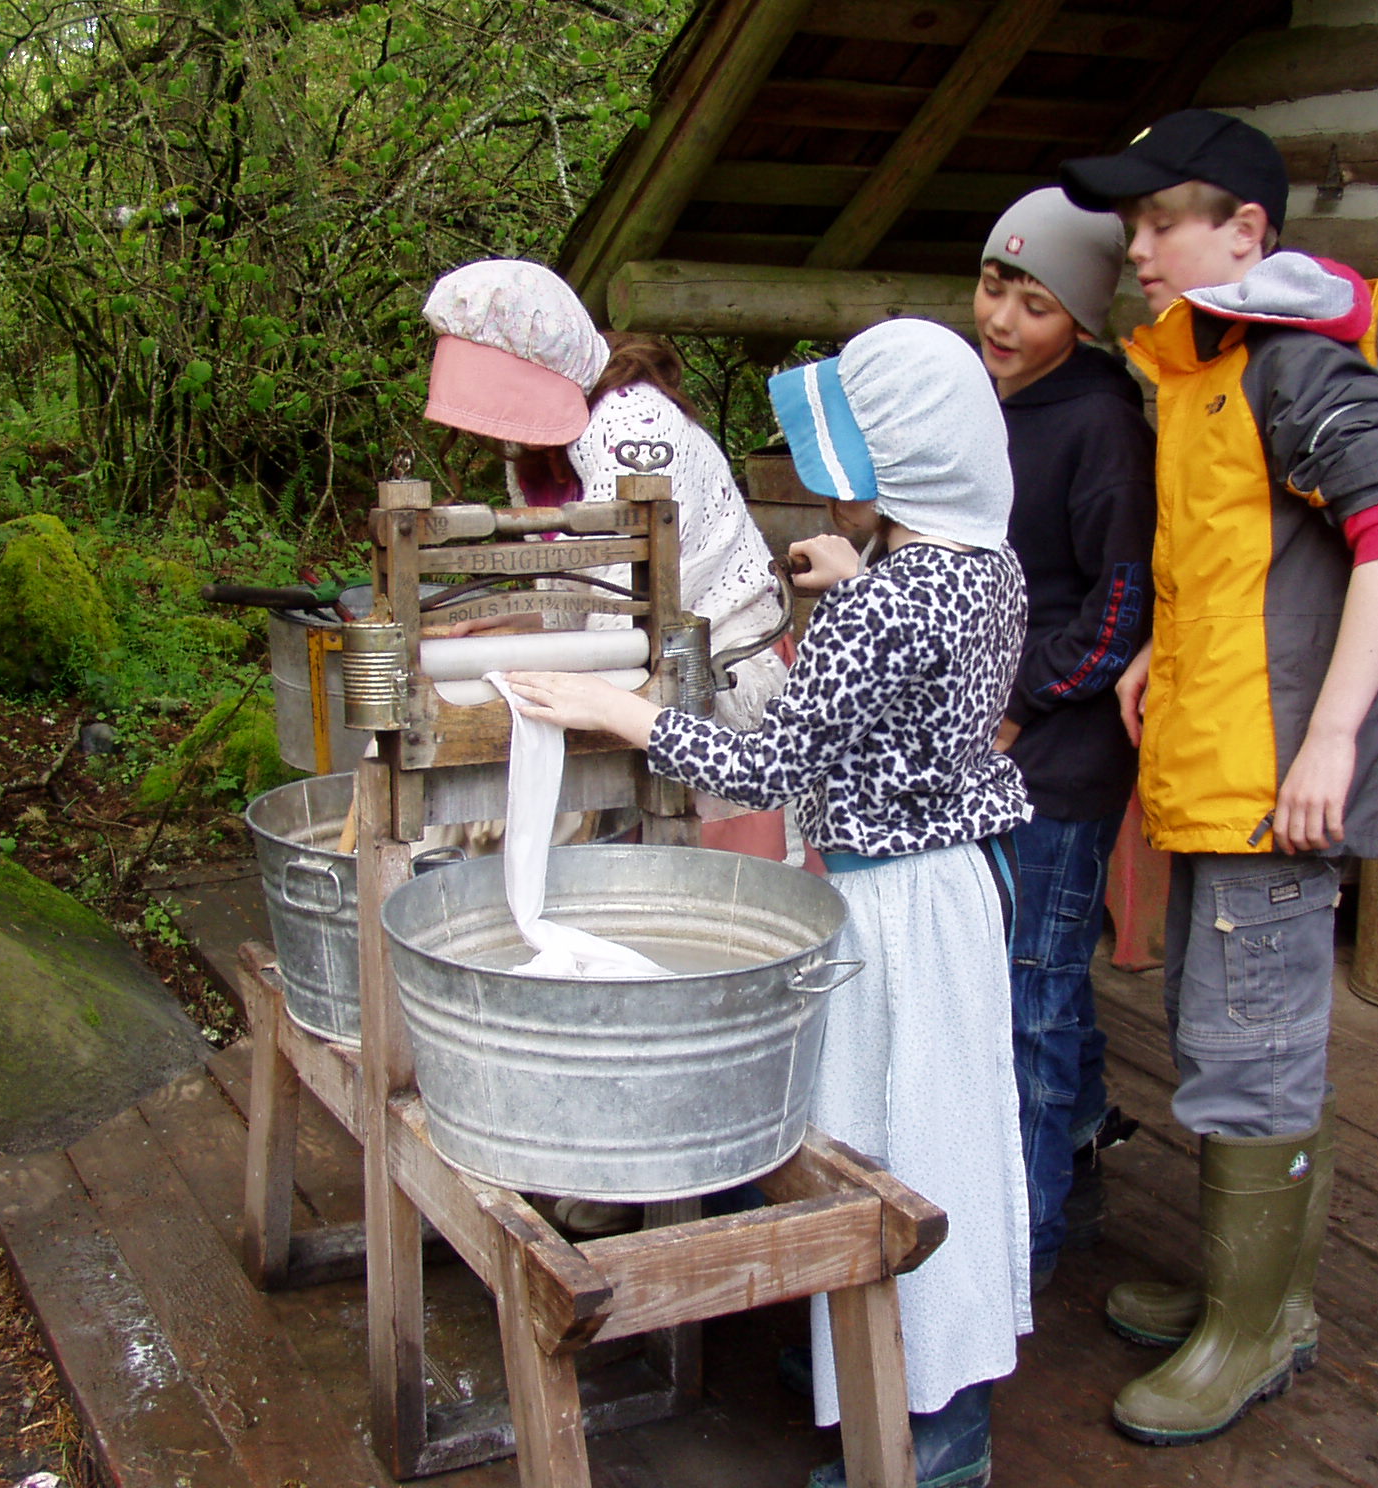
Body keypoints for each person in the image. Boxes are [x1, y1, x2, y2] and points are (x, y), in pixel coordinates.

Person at [506, 316, 1031, 1488]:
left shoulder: (880, 609)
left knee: (891, 1155)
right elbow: (921, 628)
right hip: (955, 894)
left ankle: (929, 1444)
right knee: (943, 1141)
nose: (830, 496)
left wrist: (621, 715)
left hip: (887, 909)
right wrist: (867, 571)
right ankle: (906, 1397)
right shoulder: (982, 569)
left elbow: (763, 768)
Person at [1056, 109, 1378, 1444]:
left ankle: (1259, 1324)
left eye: (1164, 221)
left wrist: (1332, 737)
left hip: (1283, 780)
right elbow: (1240, 553)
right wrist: (1161, 643)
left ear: (1246, 234)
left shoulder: (1296, 366)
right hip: (1219, 757)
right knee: (1221, 1027)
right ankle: (1246, 1287)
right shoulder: (1202, 369)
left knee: (1252, 1046)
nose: (1139, 248)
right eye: (1133, 225)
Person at [420, 259, 791, 856]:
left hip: (710, 682)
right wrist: (527, 620)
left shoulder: (634, 434)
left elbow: (621, 621)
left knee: (706, 910)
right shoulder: (531, 445)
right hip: (629, 665)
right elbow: (585, 591)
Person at [975, 187, 1156, 1291]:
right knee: (1032, 973)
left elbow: (1117, 609)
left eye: (1033, 304)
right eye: (995, 285)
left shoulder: (1099, 427)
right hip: (996, 741)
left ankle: (1028, 1234)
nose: (1000, 317)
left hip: (1061, 755)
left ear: (1080, 323)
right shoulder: (994, 402)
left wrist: (1021, 705)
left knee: (1031, 992)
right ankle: (1080, 1144)